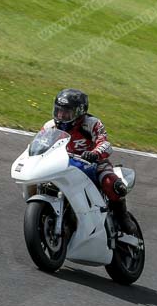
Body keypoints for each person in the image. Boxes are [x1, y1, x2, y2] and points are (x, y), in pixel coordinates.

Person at [42, 88, 137, 234]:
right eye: (58, 110)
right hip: (63, 164)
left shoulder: (92, 124)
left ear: (79, 112)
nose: (61, 115)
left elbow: (105, 143)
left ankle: (122, 216)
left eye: (67, 112)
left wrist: (94, 153)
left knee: (109, 183)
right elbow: (40, 144)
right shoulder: (50, 126)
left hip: (92, 164)